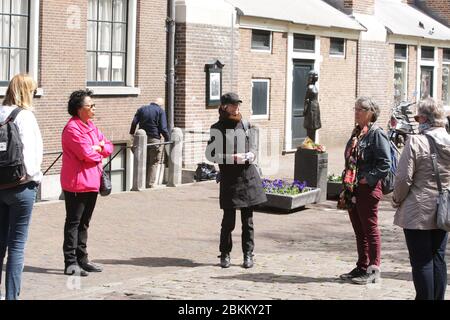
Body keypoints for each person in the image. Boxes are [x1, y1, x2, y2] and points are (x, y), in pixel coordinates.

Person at [392, 98, 450, 300]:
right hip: (444, 208)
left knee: (421, 260)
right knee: (438, 257)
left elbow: (403, 178)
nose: (416, 121)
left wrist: (397, 199)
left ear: (425, 118)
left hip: (418, 209)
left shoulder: (416, 141)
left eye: (417, 117)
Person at [206, 92, 267, 269]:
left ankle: (248, 254)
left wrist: (252, 154)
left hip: (248, 177)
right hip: (229, 179)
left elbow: (254, 147)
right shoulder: (217, 127)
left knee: (248, 221)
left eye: (238, 104)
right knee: (228, 221)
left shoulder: (246, 124)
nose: (237, 108)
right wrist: (230, 157)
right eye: (233, 105)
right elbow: (211, 155)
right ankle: (225, 254)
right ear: (224, 106)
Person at [338, 96, 390, 284]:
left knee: (370, 228)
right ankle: (362, 266)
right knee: (359, 230)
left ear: (370, 113)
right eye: (356, 108)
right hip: (353, 189)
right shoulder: (357, 133)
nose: (356, 111)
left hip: (367, 189)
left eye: (360, 109)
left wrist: (367, 179)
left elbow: (385, 163)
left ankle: (373, 268)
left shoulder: (376, 134)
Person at [61, 89, 113, 276]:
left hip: (92, 182)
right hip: (76, 183)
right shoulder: (72, 129)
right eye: (90, 106)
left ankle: (82, 260)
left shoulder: (91, 126)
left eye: (93, 105)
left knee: (84, 223)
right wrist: (97, 150)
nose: (93, 109)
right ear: (79, 109)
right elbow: (85, 154)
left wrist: (98, 147)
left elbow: (108, 146)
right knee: (73, 223)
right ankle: (70, 263)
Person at [0, 74, 42, 300]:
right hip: (20, 185)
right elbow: (32, 154)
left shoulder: (0, 112)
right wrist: (35, 178)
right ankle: (12, 298)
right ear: (27, 92)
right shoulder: (25, 116)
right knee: (16, 246)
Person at [129, 98, 170, 188]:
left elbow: (134, 122)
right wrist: (168, 139)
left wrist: (132, 134)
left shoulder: (141, 109)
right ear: (160, 104)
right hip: (154, 139)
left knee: (141, 162)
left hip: (140, 139)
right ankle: (150, 184)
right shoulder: (160, 111)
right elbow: (163, 128)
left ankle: (139, 184)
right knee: (153, 162)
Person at [303, 70, 321, 142]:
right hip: (314, 108)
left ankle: (311, 144)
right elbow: (307, 100)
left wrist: (304, 110)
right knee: (311, 128)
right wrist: (305, 110)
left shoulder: (310, 87)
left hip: (313, 108)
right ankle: (310, 144)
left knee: (312, 127)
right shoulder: (313, 87)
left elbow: (306, 100)